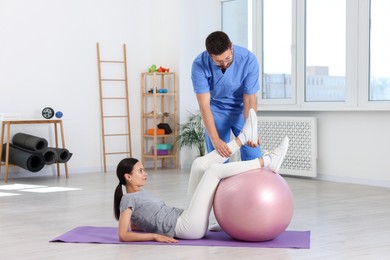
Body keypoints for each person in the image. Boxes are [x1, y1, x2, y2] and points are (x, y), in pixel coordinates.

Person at [113, 109, 289, 242]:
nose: (145, 173)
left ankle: (243, 138)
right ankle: (266, 161)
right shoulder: (128, 200)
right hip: (185, 227)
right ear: (128, 177)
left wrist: (146, 225)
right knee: (213, 171)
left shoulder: (135, 198)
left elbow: (135, 224)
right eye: (140, 171)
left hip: (185, 217)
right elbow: (123, 234)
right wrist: (155, 236)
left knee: (198, 164)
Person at [191, 31, 261, 160]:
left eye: (228, 58)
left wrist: (252, 129)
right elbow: (204, 105)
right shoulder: (199, 65)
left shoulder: (248, 60)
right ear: (210, 55)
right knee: (218, 158)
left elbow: (250, 99)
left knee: (253, 155)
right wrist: (215, 139)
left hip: (241, 109)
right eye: (218, 62)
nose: (224, 64)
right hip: (216, 111)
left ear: (231, 47)